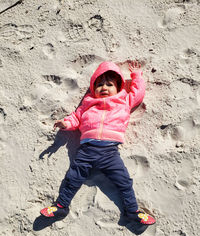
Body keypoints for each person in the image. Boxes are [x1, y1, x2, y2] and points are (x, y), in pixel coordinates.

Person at [40, 61, 156, 225]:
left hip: (110, 153)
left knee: (124, 181)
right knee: (73, 178)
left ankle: (132, 211)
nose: (104, 88)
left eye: (109, 84)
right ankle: (61, 207)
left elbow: (138, 94)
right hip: (86, 151)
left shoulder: (123, 101)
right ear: (93, 88)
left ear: (118, 88)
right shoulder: (87, 104)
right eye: (99, 84)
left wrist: (136, 76)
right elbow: (76, 117)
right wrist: (66, 124)